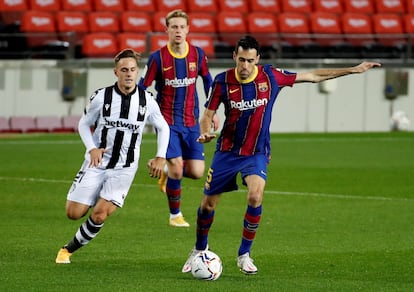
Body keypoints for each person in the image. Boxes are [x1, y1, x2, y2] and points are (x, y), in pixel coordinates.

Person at [182, 35, 381, 274]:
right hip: (227, 151)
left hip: (256, 152)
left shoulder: (270, 76)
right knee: (208, 205)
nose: (245, 66)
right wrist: (204, 133)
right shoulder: (222, 81)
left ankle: (244, 254)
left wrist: (353, 70)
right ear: (234, 56)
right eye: (241, 60)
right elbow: (207, 115)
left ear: (258, 59)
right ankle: (199, 250)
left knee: (255, 196)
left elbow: (313, 76)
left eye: (250, 61)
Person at [55, 49, 170, 264]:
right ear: (116, 72)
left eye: (132, 70)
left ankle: (67, 250)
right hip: (97, 163)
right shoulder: (101, 96)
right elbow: (84, 123)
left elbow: (163, 127)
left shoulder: (147, 101)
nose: (128, 74)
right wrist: (92, 148)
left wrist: (160, 156)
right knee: (73, 212)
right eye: (124, 70)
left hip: (124, 169)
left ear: (138, 73)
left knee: (99, 215)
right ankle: (92, 194)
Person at [138, 9, 218, 228]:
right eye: (174, 27)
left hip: (191, 122)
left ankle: (164, 171)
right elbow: (141, 88)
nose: (178, 31)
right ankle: (175, 215)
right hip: (167, 122)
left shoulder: (198, 55)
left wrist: (212, 112)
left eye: (182, 27)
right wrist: (147, 111)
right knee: (177, 168)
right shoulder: (157, 58)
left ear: (188, 29)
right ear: (167, 30)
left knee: (196, 172)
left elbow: (208, 80)